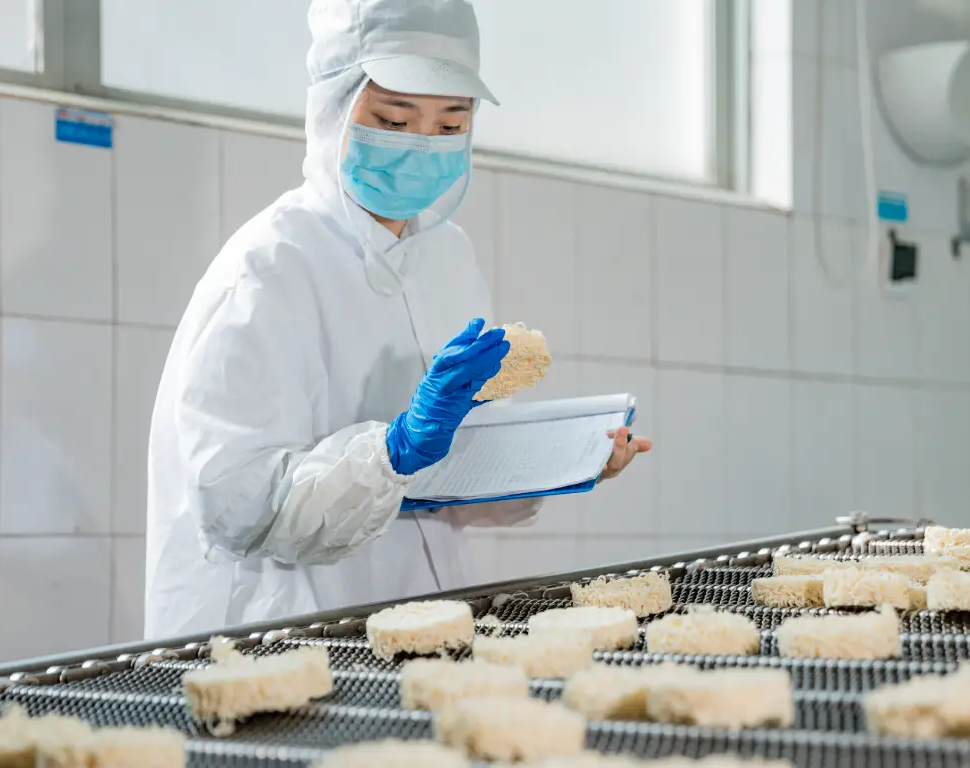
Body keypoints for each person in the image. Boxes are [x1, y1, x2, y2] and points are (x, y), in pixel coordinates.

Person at [143, 0, 652, 640]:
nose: (422, 145)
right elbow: (239, 507)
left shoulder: (448, 256)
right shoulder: (271, 266)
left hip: (427, 619)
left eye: (449, 125)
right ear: (333, 107)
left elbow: (453, 478)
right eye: (393, 118)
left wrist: (563, 459)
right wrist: (394, 450)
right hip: (286, 629)